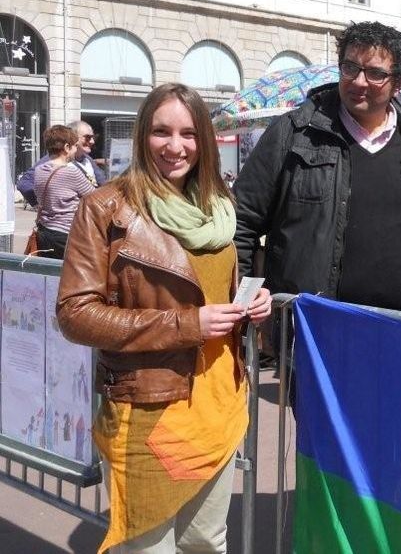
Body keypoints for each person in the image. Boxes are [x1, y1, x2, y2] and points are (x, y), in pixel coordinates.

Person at [56, 83, 272, 552]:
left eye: (189, 133)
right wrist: (186, 325)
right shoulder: (106, 208)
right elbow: (75, 314)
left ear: (205, 142)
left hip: (218, 401)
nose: (176, 146)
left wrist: (250, 302)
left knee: (206, 542)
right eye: (161, 132)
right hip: (149, 409)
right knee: (148, 545)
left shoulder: (217, 208)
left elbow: (215, 292)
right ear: (142, 136)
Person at [233, 21, 401, 316]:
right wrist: (246, 297)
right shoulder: (293, 133)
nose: (358, 81)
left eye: (375, 73)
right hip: (313, 328)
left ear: (400, 81)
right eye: (350, 68)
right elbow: (241, 222)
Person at [32, 125, 96, 259]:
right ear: (67, 147)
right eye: (74, 146)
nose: (75, 150)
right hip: (66, 234)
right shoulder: (71, 171)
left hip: (44, 232)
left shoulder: (39, 170)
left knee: (50, 274)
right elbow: (94, 197)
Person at [70, 120, 108, 187]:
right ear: (72, 137)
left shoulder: (87, 158)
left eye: (92, 137)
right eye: (88, 138)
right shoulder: (57, 162)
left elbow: (102, 182)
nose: (92, 141)